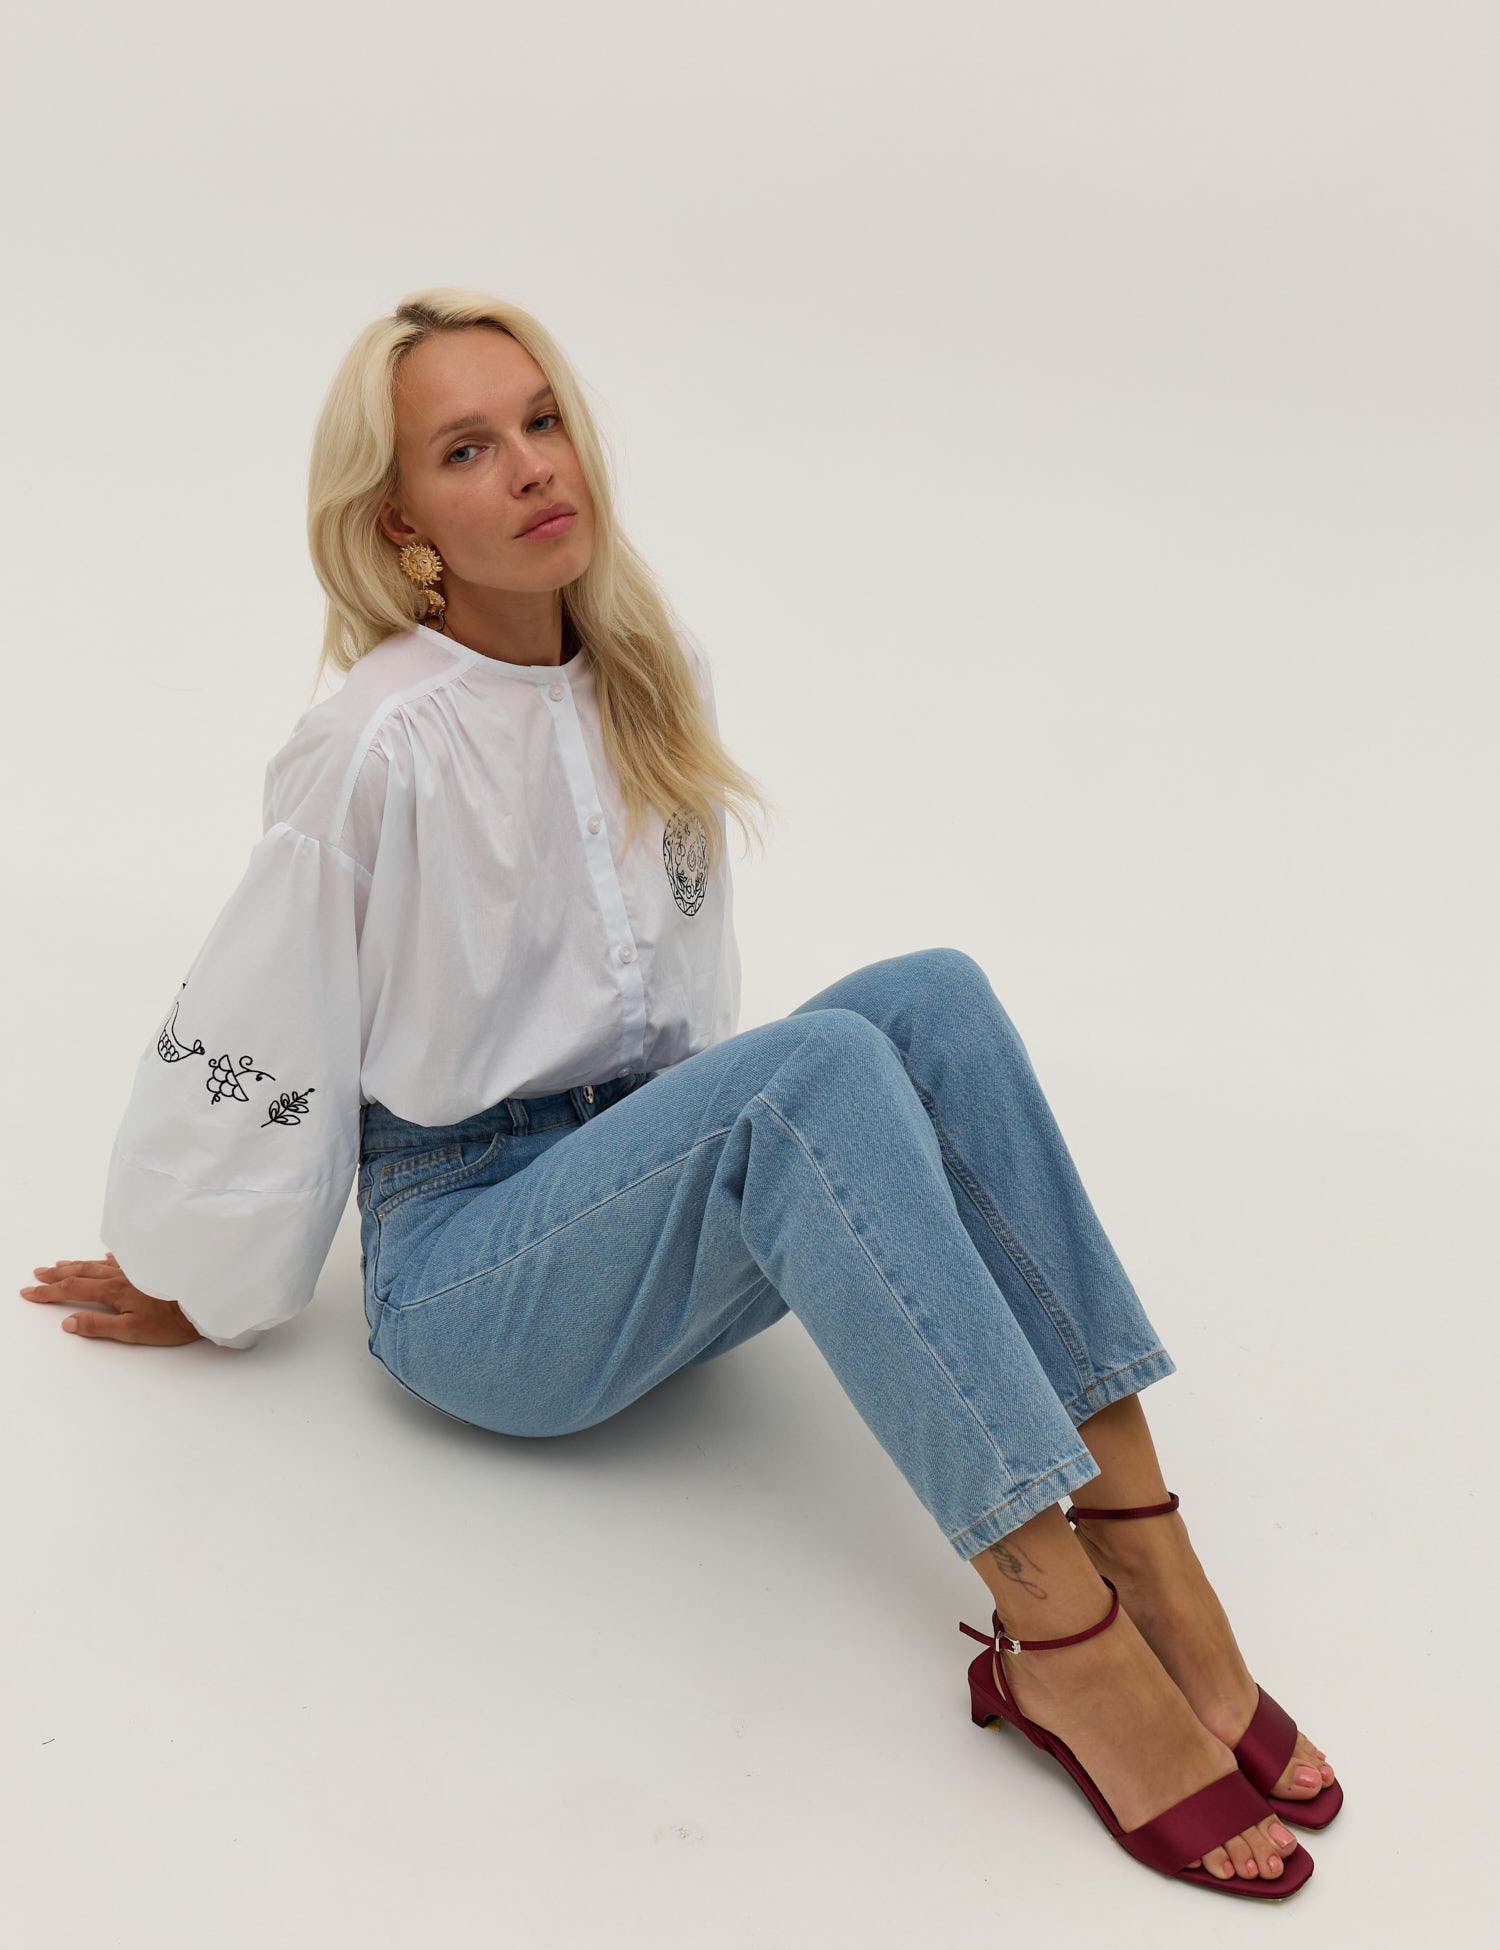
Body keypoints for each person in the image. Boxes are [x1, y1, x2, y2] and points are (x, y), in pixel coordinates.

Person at [22, 287, 1339, 1897]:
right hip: (468, 1260)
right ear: (401, 523)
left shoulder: (655, 669)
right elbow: (270, 1012)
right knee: (815, 1070)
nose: (530, 464)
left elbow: (687, 1023)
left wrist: (739, 1153)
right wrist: (200, 1271)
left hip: (636, 1194)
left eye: (541, 420)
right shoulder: (371, 745)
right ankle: (1061, 1635)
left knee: (933, 997)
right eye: (464, 448)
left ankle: (1153, 1554)